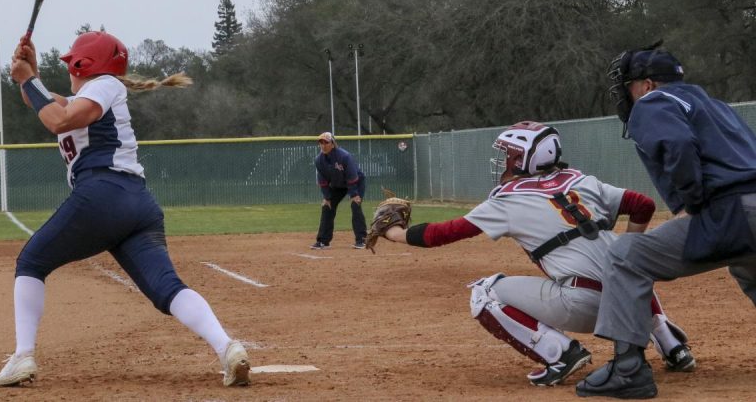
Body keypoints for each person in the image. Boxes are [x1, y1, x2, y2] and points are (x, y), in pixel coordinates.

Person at [0, 30, 251, 388]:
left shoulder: (103, 85)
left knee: (32, 262)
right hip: (136, 203)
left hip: (103, 193)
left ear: (84, 65)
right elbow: (46, 104)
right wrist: (28, 74)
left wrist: (30, 79)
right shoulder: (91, 92)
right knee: (166, 287)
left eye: (72, 62)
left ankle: (23, 356)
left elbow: (58, 120)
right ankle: (228, 348)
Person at [374, 121, 694, 387]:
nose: (504, 161)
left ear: (523, 159)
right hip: (631, 303)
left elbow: (444, 234)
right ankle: (672, 345)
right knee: (626, 263)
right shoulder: (581, 180)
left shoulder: (508, 199)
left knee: (484, 293)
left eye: (509, 154)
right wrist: (627, 250)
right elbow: (644, 205)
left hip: (585, 305)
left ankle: (561, 353)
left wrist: (395, 233)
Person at [575, 44, 756, 398]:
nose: (629, 94)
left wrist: (693, 198)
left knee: (626, 255)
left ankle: (627, 370)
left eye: (630, 85)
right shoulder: (714, 106)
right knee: (748, 267)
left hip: (733, 213)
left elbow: (677, 142)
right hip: (747, 211)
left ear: (647, 85)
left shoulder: (655, 102)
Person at [310, 132, 368, 249]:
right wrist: (327, 197)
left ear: (333, 144)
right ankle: (323, 241)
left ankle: (361, 240)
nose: (323, 145)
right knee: (327, 206)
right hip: (337, 185)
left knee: (355, 205)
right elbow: (322, 181)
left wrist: (354, 194)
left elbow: (352, 176)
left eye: (326, 142)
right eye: (321, 142)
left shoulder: (344, 156)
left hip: (355, 182)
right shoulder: (319, 160)